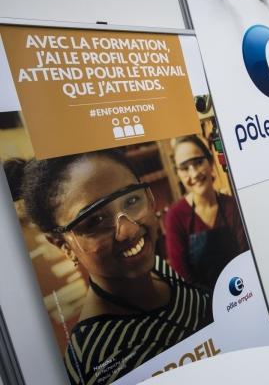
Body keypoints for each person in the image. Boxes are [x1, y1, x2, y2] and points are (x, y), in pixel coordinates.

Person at [4, 150, 213, 385]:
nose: (129, 230)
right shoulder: (99, 361)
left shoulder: (157, 270)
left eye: (131, 200)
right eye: (94, 221)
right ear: (64, 245)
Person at [166, 135, 248, 291]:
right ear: (178, 173)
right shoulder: (175, 217)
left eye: (198, 163)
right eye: (184, 168)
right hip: (203, 306)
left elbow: (245, 259)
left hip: (242, 291)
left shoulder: (232, 206)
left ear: (210, 163)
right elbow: (184, 280)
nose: (194, 173)